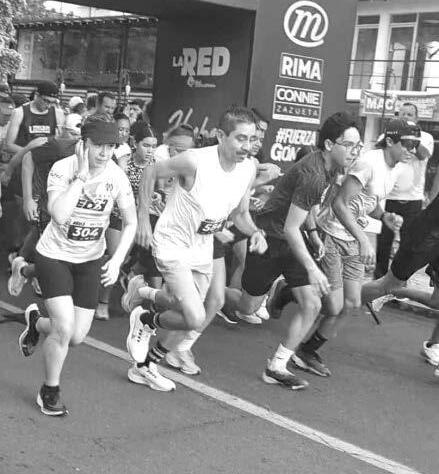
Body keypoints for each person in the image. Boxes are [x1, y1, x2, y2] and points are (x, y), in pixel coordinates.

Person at [122, 106, 266, 391]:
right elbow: (150, 171)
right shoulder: (194, 161)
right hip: (172, 244)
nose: (247, 146)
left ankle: (145, 364)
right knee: (195, 316)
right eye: (240, 138)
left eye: (252, 139)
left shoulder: (248, 168)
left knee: (192, 316)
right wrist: (143, 220)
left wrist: (255, 232)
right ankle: (147, 320)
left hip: (202, 247)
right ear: (221, 136)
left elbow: (240, 214)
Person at [224, 111, 362, 390]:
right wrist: (312, 267)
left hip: (291, 241)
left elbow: (304, 207)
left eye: (358, 146)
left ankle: (276, 366)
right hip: (269, 240)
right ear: (329, 145)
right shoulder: (314, 174)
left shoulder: (332, 167)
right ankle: (204, 290)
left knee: (312, 304)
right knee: (246, 307)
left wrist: (313, 234)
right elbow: (290, 227)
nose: (354, 151)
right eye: (348, 145)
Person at [17, 120, 137, 416]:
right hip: (54, 256)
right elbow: (59, 214)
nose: (105, 153)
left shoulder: (116, 177)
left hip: (90, 259)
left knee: (76, 337)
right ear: (84, 144)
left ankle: (36, 323)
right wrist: (81, 178)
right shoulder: (63, 168)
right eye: (98, 146)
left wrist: (116, 259)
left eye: (111, 147)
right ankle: (50, 390)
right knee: (63, 329)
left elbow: (131, 222)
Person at [290, 119, 420, 377]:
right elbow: (339, 204)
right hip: (332, 234)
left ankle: (307, 351)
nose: (412, 150)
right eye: (407, 143)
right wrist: (363, 239)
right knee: (334, 306)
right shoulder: (368, 163)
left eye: (415, 145)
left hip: (351, 239)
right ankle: (289, 291)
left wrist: (384, 216)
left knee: (351, 303)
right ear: (390, 141)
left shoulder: (395, 169)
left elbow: (369, 200)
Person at [375, 103, 435, 278]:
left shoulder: (426, 137)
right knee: (384, 242)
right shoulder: (388, 135)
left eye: (410, 114)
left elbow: (423, 155)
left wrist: (411, 138)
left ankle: (399, 280)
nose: (406, 117)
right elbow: (379, 152)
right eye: (402, 114)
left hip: (413, 199)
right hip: (389, 196)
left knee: (408, 244)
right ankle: (378, 278)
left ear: (416, 118)